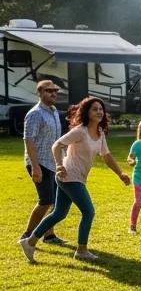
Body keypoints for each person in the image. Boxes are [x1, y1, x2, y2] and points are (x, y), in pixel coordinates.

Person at [19, 96, 131, 264]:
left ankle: (29, 242)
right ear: (87, 112)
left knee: (59, 213)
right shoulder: (80, 131)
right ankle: (81, 250)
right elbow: (56, 145)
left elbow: (106, 156)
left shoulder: (99, 133)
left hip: (76, 178)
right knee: (89, 212)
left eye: (101, 109)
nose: (99, 112)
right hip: (69, 176)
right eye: (95, 109)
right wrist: (58, 165)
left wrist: (120, 174)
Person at [19, 79, 68, 248]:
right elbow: (29, 140)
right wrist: (35, 166)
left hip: (53, 161)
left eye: (55, 91)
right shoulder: (35, 113)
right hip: (39, 162)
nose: (53, 93)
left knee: (54, 201)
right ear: (39, 93)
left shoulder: (54, 111)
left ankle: (49, 235)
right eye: (48, 91)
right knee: (46, 200)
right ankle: (27, 235)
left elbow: (56, 139)